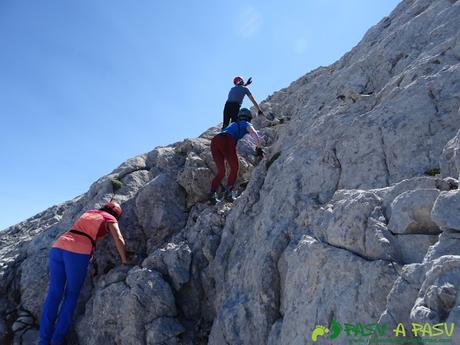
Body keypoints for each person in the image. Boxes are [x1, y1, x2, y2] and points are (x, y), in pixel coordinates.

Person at [38, 201, 128, 345]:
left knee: (54, 294)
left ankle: (43, 340)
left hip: (58, 246)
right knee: (71, 295)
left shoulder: (89, 213)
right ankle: (56, 340)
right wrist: (125, 261)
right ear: (116, 214)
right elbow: (119, 238)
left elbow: (87, 231)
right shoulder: (110, 219)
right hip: (77, 252)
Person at [210, 108, 264, 204]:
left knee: (221, 172)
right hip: (227, 140)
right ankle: (229, 193)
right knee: (235, 168)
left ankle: (212, 195)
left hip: (215, 140)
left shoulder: (233, 124)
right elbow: (254, 134)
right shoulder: (246, 124)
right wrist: (259, 148)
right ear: (249, 118)